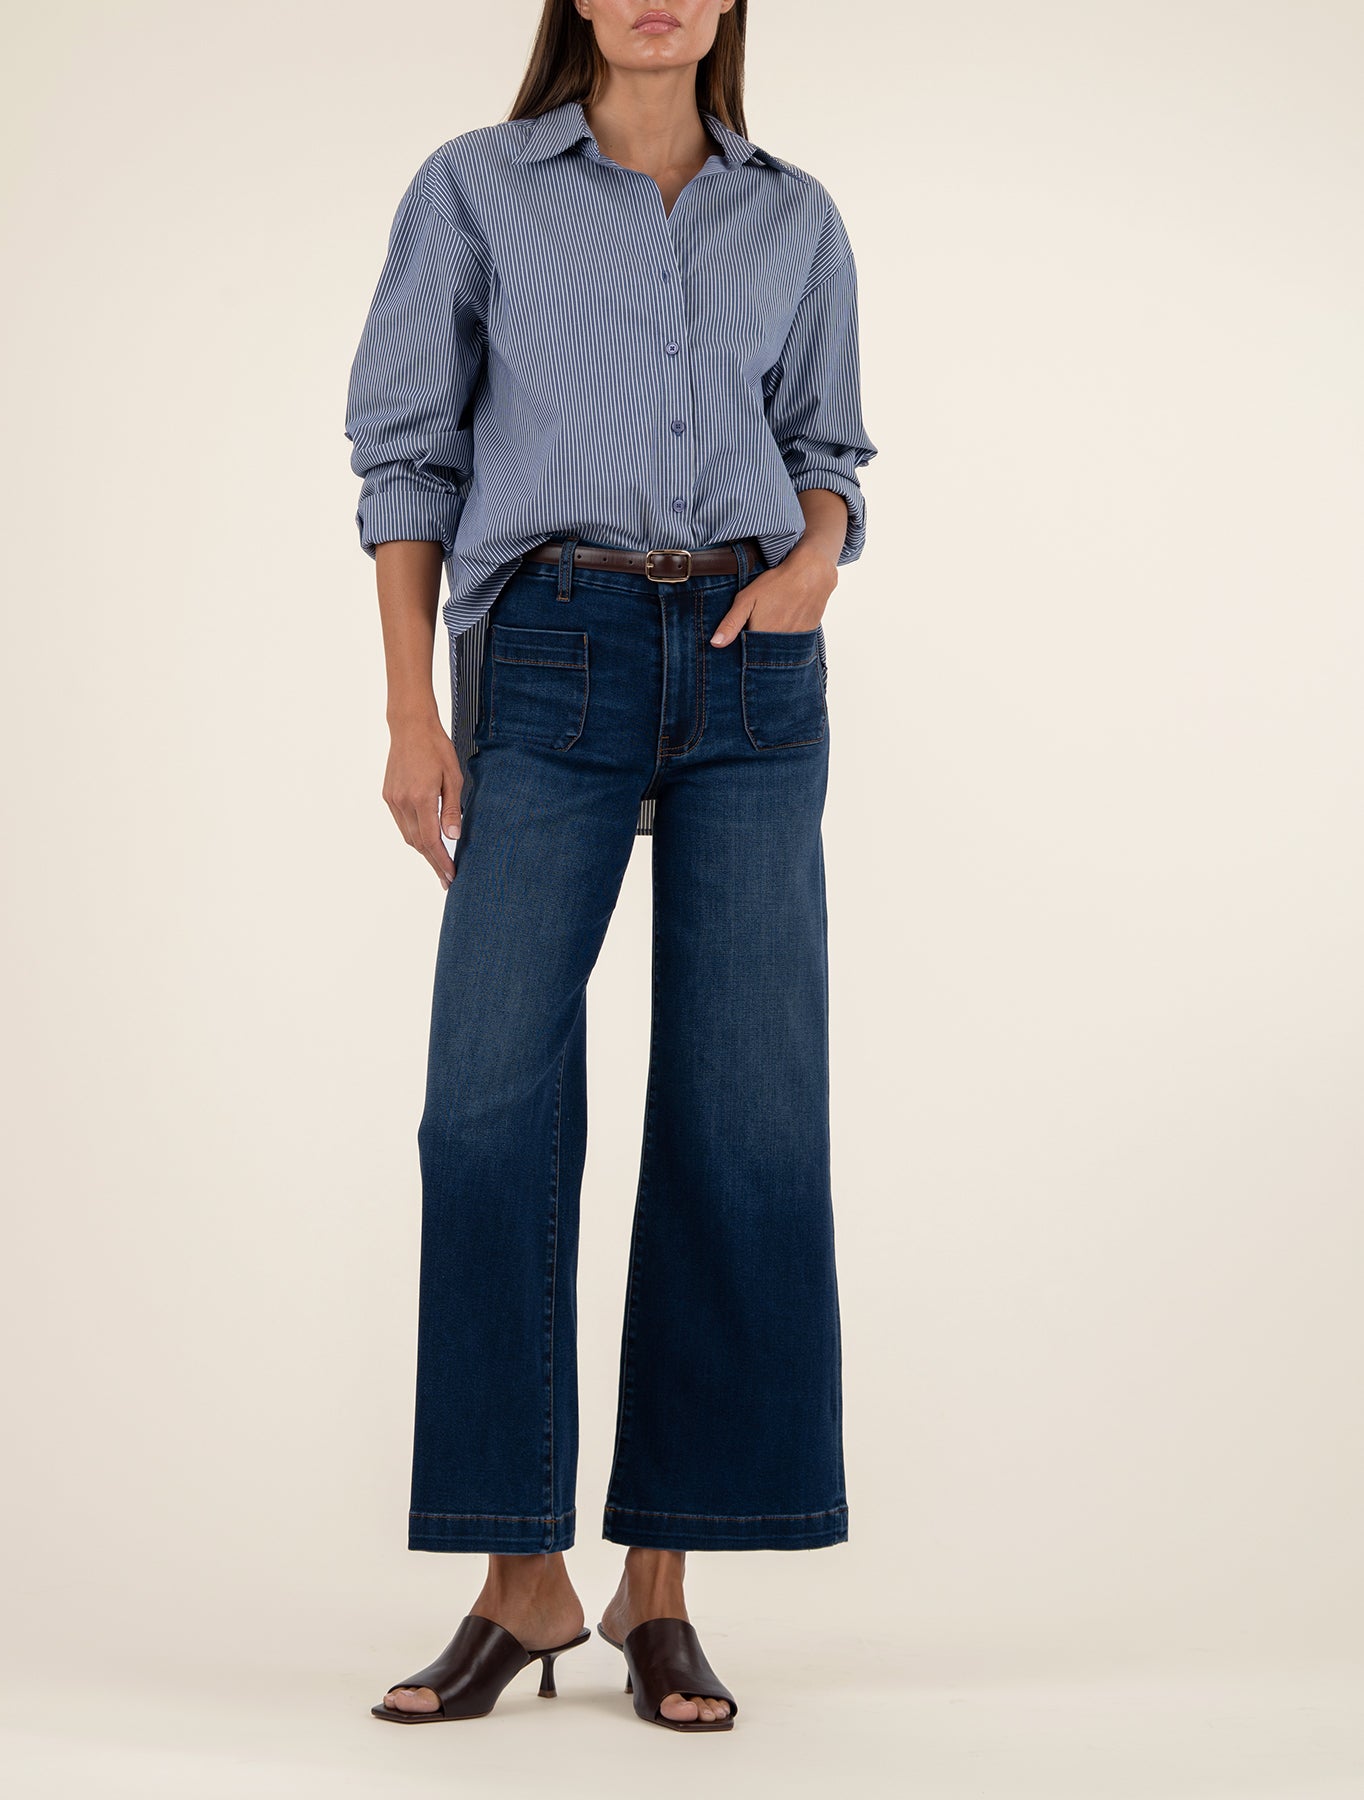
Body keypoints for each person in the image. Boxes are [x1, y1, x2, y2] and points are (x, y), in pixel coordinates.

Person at [343, 0, 876, 1734]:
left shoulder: (792, 214)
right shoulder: (474, 188)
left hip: (750, 667)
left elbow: (828, 450)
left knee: (743, 1114)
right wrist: (411, 713)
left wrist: (816, 558)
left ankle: (662, 1584)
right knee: (485, 1108)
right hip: (551, 655)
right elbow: (407, 452)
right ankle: (522, 1579)